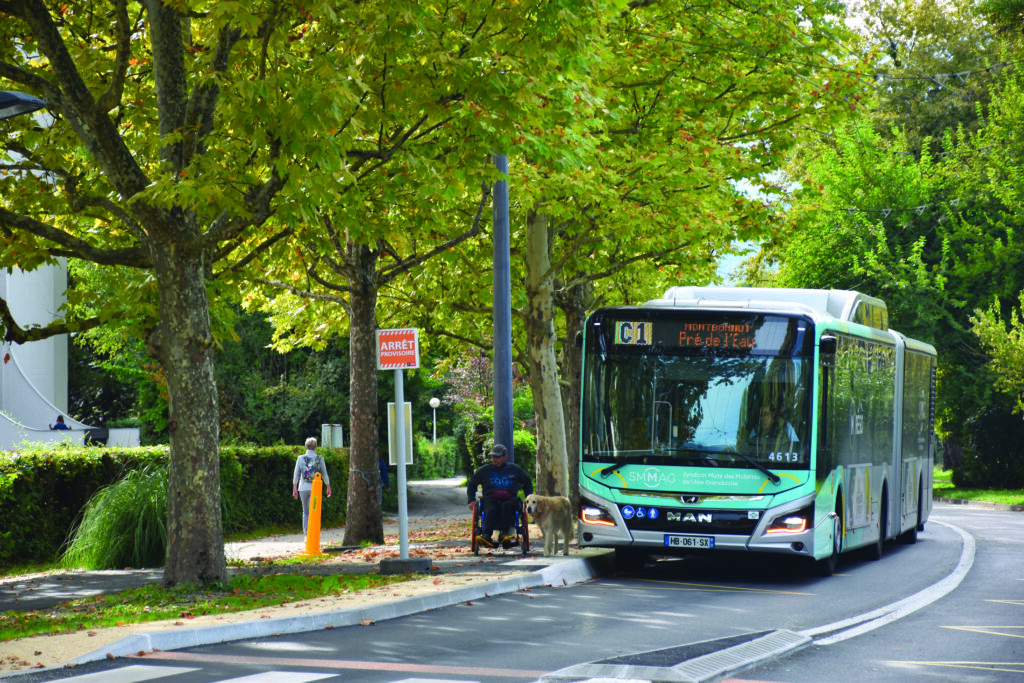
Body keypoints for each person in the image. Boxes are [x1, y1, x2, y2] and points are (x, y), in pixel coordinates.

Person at [466, 444, 533, 549]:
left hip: (509, 498)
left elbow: (527, 482)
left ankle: (504, 534)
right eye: (493, 457)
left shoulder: (514, 469)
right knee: (490, 508)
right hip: (490, 497)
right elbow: (472, 484)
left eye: (498, 457)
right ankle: (486, 535)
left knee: (507, 505)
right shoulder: (484, 470)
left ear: (505, 457)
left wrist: (528, 498)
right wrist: (471, 500)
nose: (495, 459)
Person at [292, 437, 332, 536]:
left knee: (305, 512)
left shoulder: (300, 458)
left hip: (303, 488)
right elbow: (324, 474)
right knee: (314, 511)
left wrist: (294, 488)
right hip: (315, 488)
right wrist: (328, 487)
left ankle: (306, 535)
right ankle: (313, 533)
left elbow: (296, 474)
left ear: (306, 447)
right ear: (315, 447)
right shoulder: (319, 458)